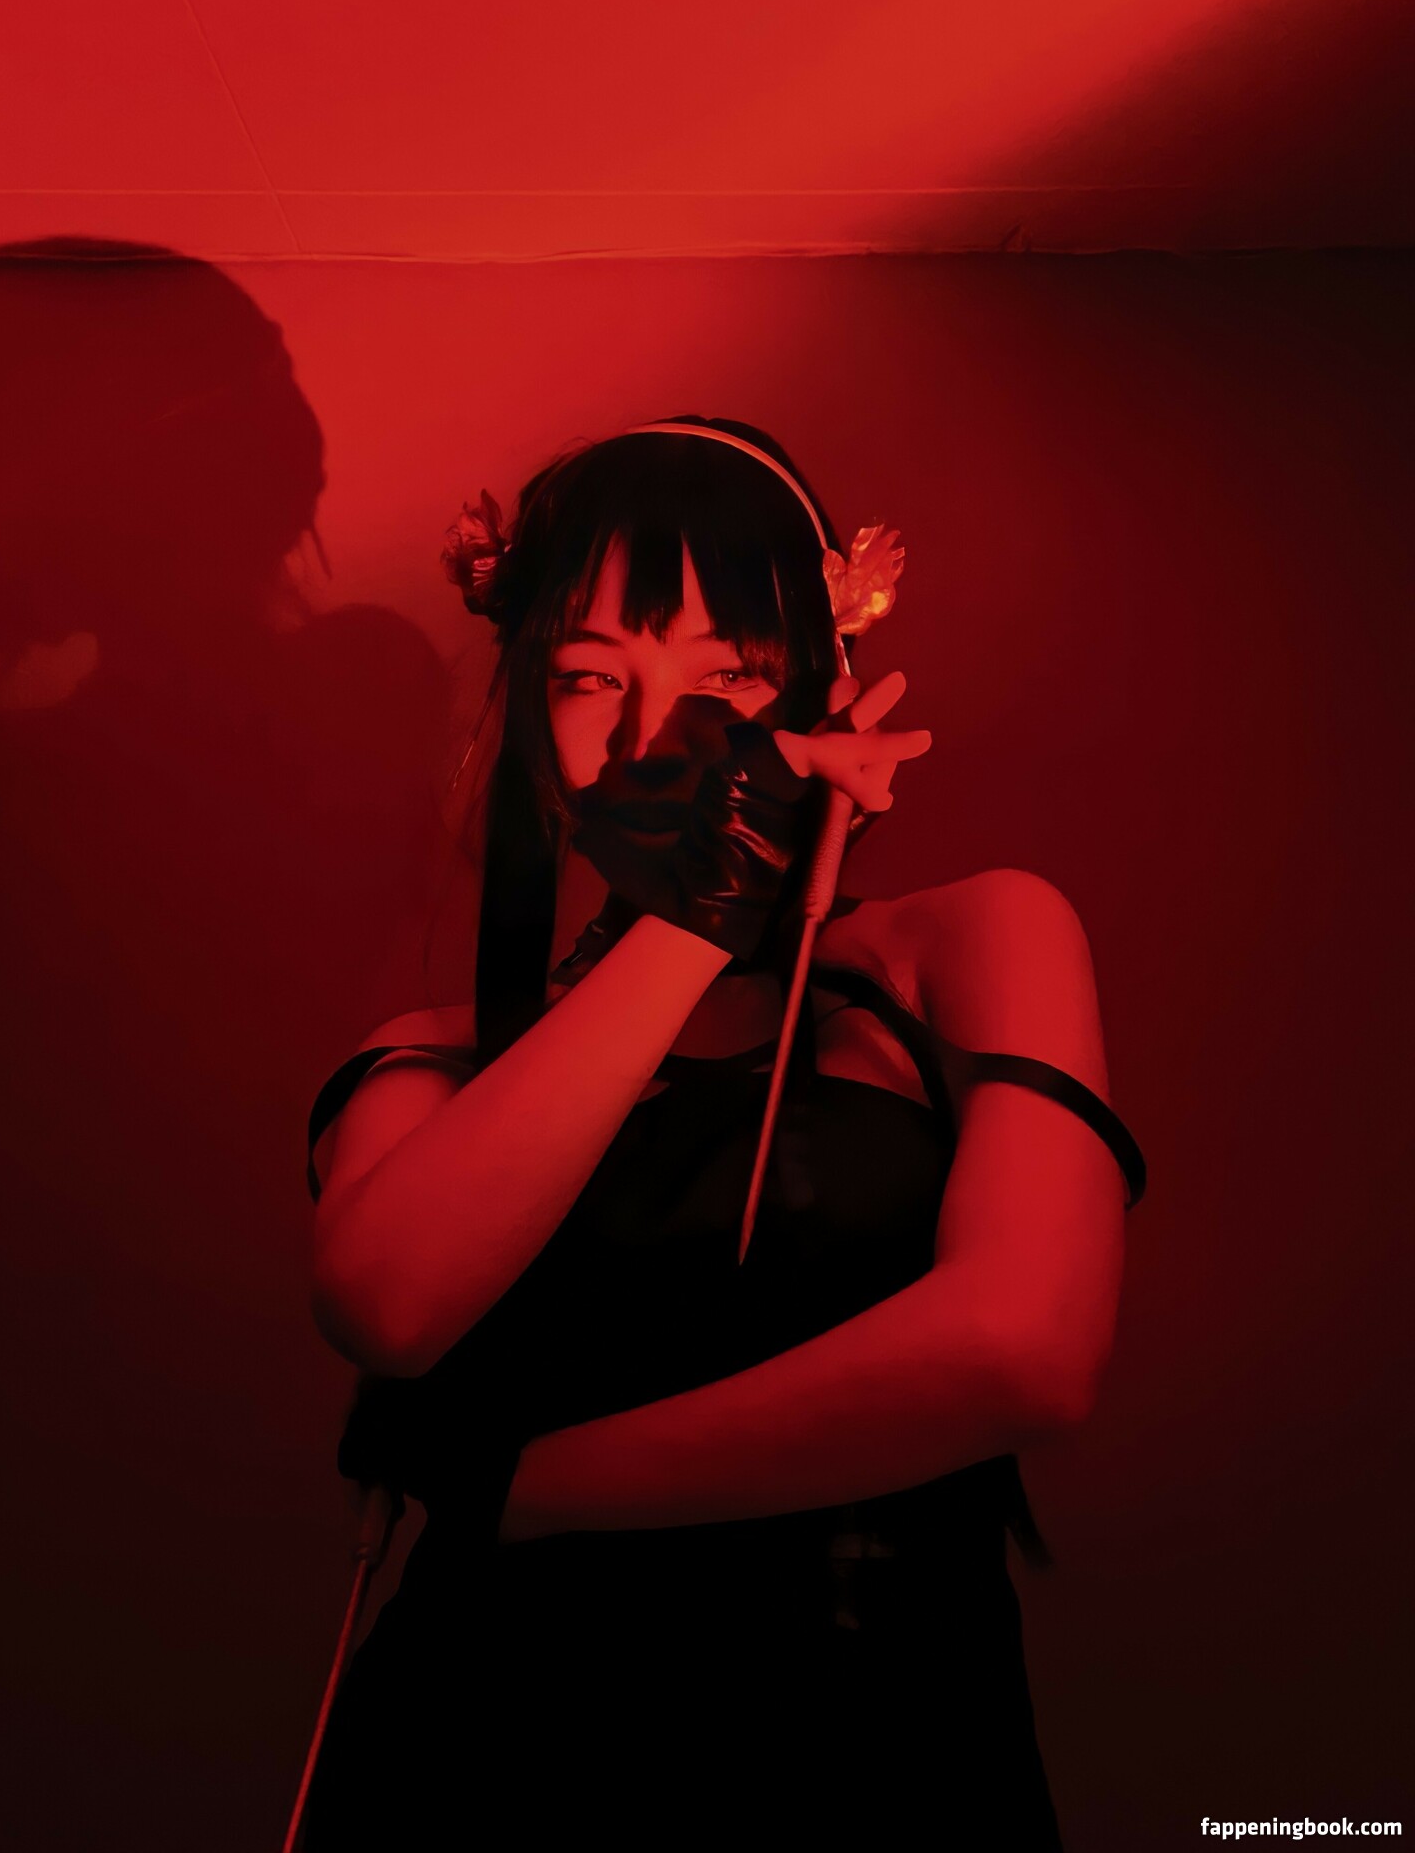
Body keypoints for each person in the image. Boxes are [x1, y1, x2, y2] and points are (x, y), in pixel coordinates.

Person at [299, 416, 1146, 1847]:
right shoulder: (429, 1059)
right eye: (589, 676)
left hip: (882, 1753)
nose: (651, 735)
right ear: (525, 708)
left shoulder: (972, 945)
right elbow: (386, 1302)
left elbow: (1026, 1350)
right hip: (484, 1751)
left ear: (824, 684)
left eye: (729, 676)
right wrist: (703, 914)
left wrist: (528, 1487)